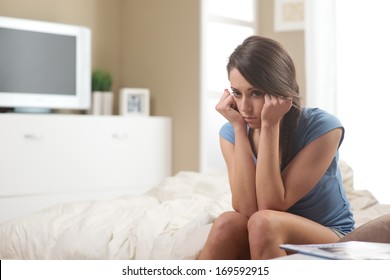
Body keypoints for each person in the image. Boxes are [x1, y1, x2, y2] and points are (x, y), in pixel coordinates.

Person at [198, 36, 355, 260]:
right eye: (237, 93)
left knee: (264, 223)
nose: (244, 107)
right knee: (227, 223)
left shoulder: (323, 127)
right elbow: (245, 209)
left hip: (330, 237)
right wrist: (239, 129)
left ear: (280, 90)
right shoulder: (232, 131)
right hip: (266, 232)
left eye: (256, 93)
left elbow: (270, 207)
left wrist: (270, 125)